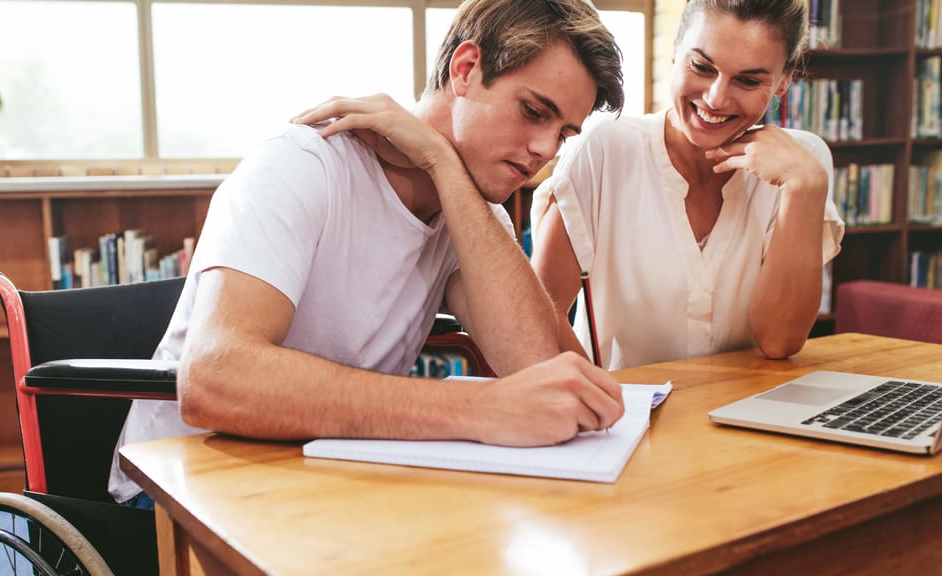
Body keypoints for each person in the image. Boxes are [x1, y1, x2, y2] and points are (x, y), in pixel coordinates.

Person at [108, 0, 628, 506]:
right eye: (534, 112)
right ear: (466, 69)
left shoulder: (470, 213)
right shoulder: (303, 163)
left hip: (322, 482)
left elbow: (544, 371)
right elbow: (215, 380)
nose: (545, 150)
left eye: (563, 133)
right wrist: (480, 407)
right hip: (182, 489)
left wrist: (440, 164)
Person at [529, 0, 846, 370]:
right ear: (675, 52)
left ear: (783, 80)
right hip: (624, 416)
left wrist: (804, 188)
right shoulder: (604, 151)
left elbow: (780, 341)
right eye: (701, 66)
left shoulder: (804, 164)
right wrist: (604, 403)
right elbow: (535, 323)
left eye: (748, 80)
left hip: (748, 413)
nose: (716, 98)